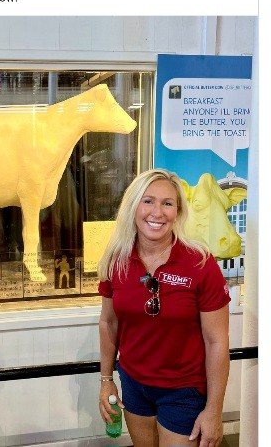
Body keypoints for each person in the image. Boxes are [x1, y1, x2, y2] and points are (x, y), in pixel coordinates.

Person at [97, 169, 230, 447]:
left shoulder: (200, 263)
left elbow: (217, 341)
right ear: (133, 206)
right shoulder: (116, 261)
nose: (157, 212)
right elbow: (109, 323)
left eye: (167, 203)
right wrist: (106, 379)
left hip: (184, 391)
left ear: (178, 212)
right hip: (134, 385)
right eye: (148, 201)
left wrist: (214, 410)